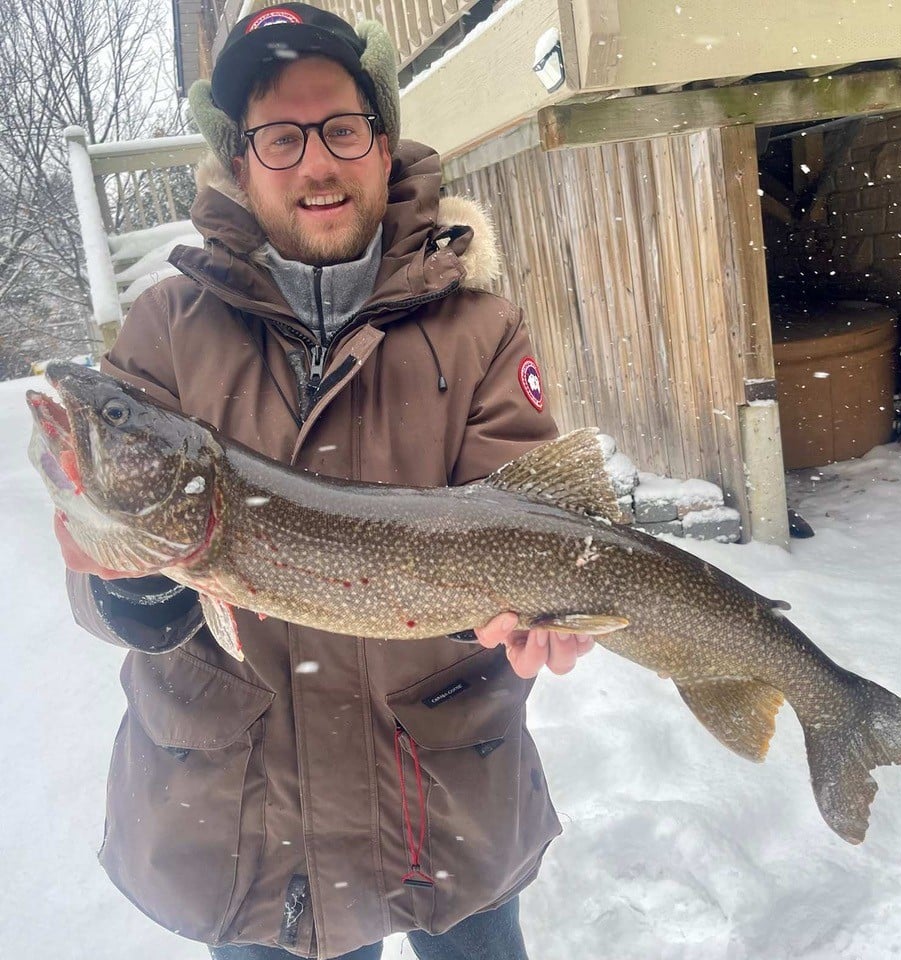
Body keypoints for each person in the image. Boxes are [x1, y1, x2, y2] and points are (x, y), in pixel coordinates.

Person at [55, 6, 594, 959]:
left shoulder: (480, 328)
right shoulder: (161, 331)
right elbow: (102, 585)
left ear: (382, 146)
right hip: (249, 824)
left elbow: (526, 515)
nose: (315, 163)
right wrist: (129, 584)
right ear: (238, 160)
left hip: (443, 796)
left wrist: (518, 609)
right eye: (278, 136)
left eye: (342, 128)